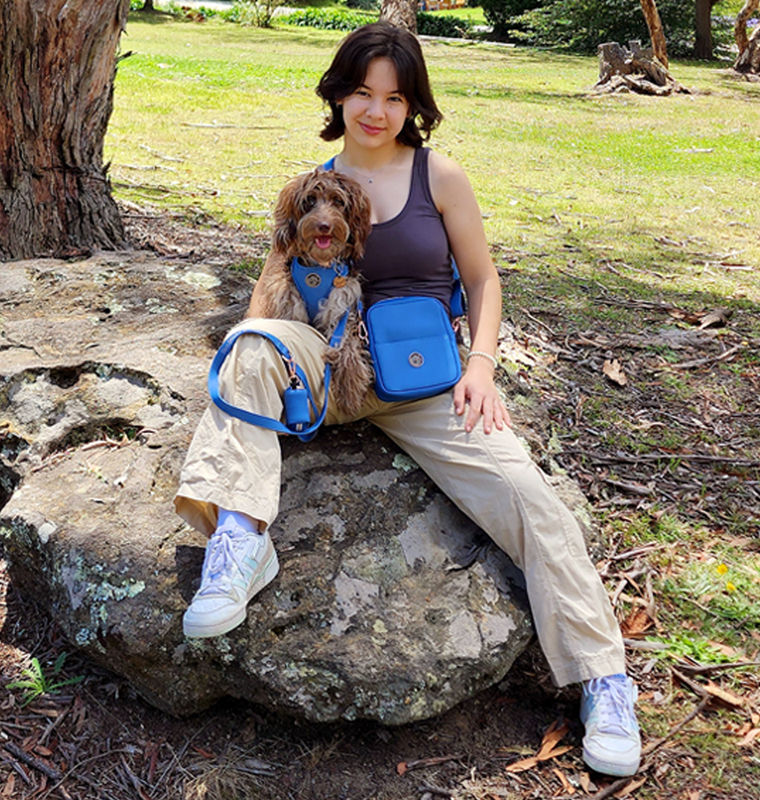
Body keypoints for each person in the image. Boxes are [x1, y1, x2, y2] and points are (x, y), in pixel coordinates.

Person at [174, 22, 642, 778]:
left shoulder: (439, 177)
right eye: (363, 92)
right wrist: (248, 356)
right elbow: (270, 287)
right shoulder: (311, 191)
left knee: (531, 500)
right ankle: (239, 543)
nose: (376, 111)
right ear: (339, 95)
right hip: (329, 366)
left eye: (394, 98)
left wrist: (481, 365)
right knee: (251, 347)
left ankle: (604, 681)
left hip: (424, 381)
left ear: (413, 105)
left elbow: (483, 280)